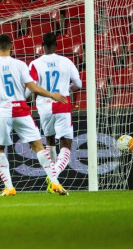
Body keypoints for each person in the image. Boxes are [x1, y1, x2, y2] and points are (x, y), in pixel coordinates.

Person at [0, 34, 69, 196]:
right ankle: (55, 182)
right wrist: (51, 95)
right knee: (38, 146)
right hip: (21, 110)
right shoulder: (20, 65)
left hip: (2, 112)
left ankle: (9, 187)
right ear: (11, 47)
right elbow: (33, 88)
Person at [27, 32, 82, 192]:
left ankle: (54, 180)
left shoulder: (35, 64)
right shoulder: (66, 61)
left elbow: (29, 90)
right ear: (56, 45)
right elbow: (78, 83)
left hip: (44, 107)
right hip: (62, 103)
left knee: (49, 141)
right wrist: (67, 89)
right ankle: (53, 175)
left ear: (42, 46)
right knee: (66, 145)